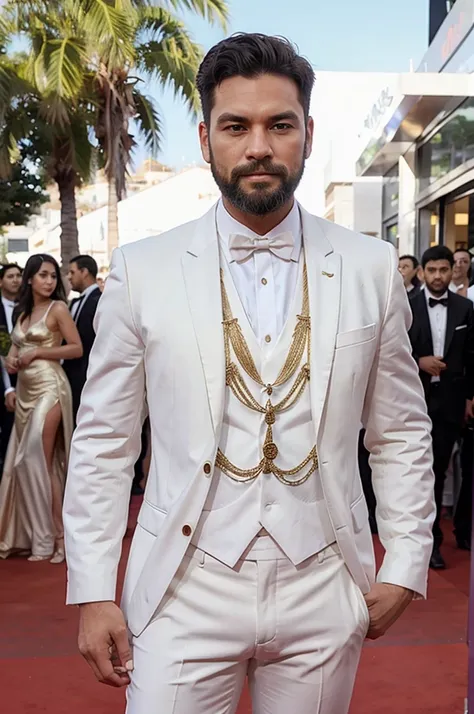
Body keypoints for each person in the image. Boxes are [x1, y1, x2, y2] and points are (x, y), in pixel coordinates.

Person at [63, 34, 435, 714]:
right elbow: (105, 442)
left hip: (325, 583)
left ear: (308, 134)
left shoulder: (370, 267)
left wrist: (407, 561)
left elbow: (401, 431)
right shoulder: (143, 270)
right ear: (205, 138)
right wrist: (92, 589)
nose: (258, 146)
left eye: (279, 125)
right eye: (236, 126)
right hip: (182, 586)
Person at [0, 254, 82, 562]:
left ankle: (58, 537)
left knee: (36, 458)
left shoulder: (58, 308)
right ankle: (39, 535)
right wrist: (11, 360)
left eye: (53, 276)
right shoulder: (22, 312)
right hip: (23, 391)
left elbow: (76, 348)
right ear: (30, 279)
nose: (49, 281)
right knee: (29, 462)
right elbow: (13, 349)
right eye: (43, 275)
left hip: (51, 387)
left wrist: (38, 354)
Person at [408, 245, 474, 570]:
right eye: (431, 270)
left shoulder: (465, 308)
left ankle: (433, 542)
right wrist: (419, 361)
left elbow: (473, 356)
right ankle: (414, 541)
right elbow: (391, 350)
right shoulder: (406, 306)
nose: (437, 276)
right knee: (413, 474)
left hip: (449, 403)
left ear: (453, 271)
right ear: (422, 272)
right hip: (411, 403)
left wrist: (470, 397)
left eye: (443, 270)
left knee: (438, 472)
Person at [63, 255, 101, 424]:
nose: (69, 277)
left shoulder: (99, 301)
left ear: (84, 272)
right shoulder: (73, 303)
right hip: (71, 377)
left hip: (90, 376)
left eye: (72, 272)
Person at [0, 264, 23, 471]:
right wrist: (7, 388)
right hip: (4, 385)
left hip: (28, 383)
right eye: (10, 276)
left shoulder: (27, 307)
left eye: (18, 276)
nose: (15, 280)